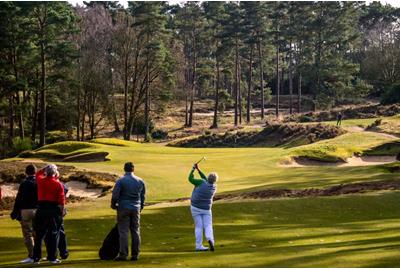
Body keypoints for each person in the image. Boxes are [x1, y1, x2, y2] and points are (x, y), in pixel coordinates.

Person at [111, 162, 146, 261]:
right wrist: (141, 207)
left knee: (123, 231)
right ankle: (135, 254)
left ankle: (123, 254)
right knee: (135, 231)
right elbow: (142, 196)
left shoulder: (121, 181)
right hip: (136, 208)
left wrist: (113, 205)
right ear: (133, 169)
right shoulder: (140, 181)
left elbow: (115, 196)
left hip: (123, 207)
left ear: (124, 169)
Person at [32, 164, 65, 264]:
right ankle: (52, 257)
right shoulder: (58, 184)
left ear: (46, 172)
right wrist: (62, 211)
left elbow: (38, 173)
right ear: (55, 173)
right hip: (53, 209)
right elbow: (61, 200)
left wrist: (45, 168)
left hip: (41, 209)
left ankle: (36, 258)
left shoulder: (40, 181)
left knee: (39, 235)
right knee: (53, 234)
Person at [10, 164, 38, 264]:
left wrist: (14, 212)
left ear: (26, 172)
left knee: (28, 234)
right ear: (35, 172)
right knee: (37, 233)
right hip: (38, 210)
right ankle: (37, 256)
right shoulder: (39, 182)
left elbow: (18, 199)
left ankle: (32, 256)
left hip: (26, 210)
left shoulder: (24, 183)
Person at [188, 163, 218, 252]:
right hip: (206, 209)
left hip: (195, 208)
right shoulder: (214, 187)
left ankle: (198, 246)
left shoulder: (201, 182)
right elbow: (206, 179)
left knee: (198, 227)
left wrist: (193, 169)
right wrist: (199, 170)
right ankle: (210, 240)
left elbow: (190, 179)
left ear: (208, 178)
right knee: (208, 225)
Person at [44, 182, 69, 260]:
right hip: (58, 209)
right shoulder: (61, 184)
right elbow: (65, 190)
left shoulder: (46, 184)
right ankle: (63, 253)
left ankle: (53, 255)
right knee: (60, 231)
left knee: (51, 233)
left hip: (52, 210)